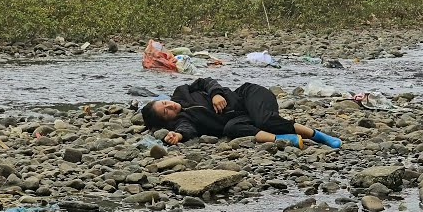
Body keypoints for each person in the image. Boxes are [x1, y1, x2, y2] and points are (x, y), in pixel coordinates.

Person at [140, 77, 341, 149]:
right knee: (231, 128)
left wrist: (215, 94)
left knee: (265, 119)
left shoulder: (181, 93)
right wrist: (179, 135)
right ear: (167, 120)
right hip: (239, 118)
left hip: (248, 95)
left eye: (165, 103)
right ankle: (283, 139)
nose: (170, 106)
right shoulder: (183, 120)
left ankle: (319, 136)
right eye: (166, 112)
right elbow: (187, 129)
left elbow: (205, 81)